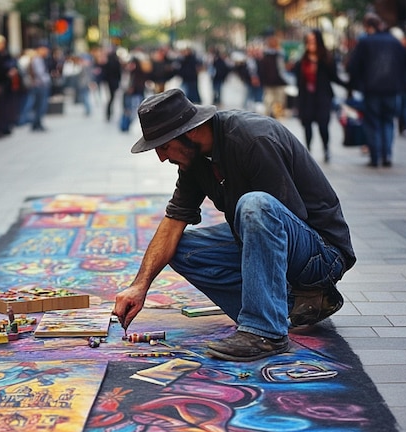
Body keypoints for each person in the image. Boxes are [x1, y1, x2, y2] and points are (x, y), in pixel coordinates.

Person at [113, 89, 356, 362]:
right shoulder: (194, 159)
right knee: (179, 248)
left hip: (319, 254)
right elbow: (173, 221)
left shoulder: (254, 138)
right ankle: (293, 305)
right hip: (272, 240)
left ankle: (266, 331)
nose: (161, 156)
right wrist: (140, 286)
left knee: (255, 206)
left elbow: (282, 220)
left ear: (189, 132)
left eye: (164, 146)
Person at [346, 13, 406, 167]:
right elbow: (405, 65)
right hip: (392, 90)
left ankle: (375, 156)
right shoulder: (395, 42)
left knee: (372, 123)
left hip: (371, 90)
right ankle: (386, 155)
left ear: (368, 26)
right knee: (388, 122)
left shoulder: (365, 42)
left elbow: (353, 66)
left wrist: (352, 87)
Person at [293, 29, 348, 162]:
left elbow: (334, 77)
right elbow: (297, 78)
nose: (310, 44)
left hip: (322, 97)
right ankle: (308, 151)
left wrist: (349, 85)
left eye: (313, 41)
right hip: (306, 98)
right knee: (307, 125)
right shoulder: (302, 60)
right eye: (308, 41)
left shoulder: (326, 58)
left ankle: (326, 148)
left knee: (323, 125)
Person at [258, 33, 288, 118]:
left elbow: (284, 69)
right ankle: (269, 118)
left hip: (278, 82)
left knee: (278, 102)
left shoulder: (280, 55)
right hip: (270, 83)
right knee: (269, 102)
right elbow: (262, 70)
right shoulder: (266, 55)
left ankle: (277, 118)